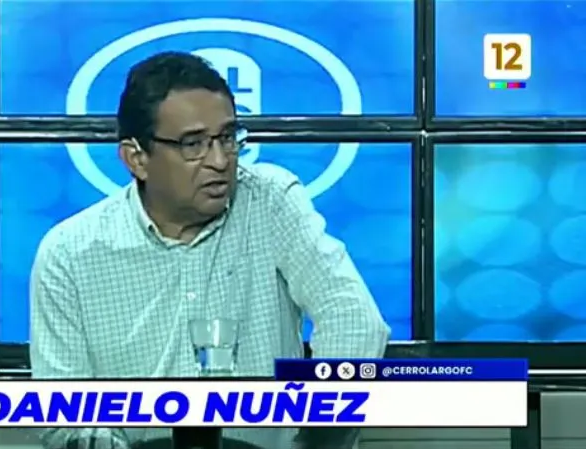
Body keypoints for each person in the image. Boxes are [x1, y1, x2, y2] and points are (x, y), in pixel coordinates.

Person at [29, 51, 390, 449]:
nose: (219, 161)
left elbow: (353, 320)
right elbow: (62, 410)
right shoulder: (69, 254)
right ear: (137, 158)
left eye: (227, 138)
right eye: (193, 144)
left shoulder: (269, 201)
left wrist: (317, 437)